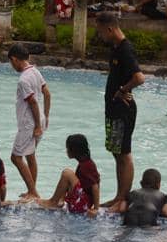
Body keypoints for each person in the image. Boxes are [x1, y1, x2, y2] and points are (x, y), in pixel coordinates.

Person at [96, 12, 145, 208]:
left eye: (100, 32)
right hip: (114, 109)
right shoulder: (115, 48)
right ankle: (118, 196)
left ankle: (123, 199)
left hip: (123, 110)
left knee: (124, 153)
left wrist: (123, 90)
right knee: (116, 152)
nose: (99, 36)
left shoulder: (125, 49)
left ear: (109, 29)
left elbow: (139, 78)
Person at [7, 43, 50, 201]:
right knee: (30, 155)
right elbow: (47, 93)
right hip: (39, 120)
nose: (12, 66)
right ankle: (31, 190)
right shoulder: (35, 71)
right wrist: (46, 116)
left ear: (15, 59)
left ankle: (33, 192)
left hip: (29, 124)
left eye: (11, 62)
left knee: (16, 157)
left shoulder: (23, 80)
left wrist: (38, 126)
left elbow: (32, 102)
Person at [37, 134, 100, 216]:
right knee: (69, 176)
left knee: (67, 173)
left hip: (82, 206)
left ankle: (53, 202)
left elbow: (95, 186)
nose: (66, 151)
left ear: (74, 150)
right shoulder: (84, 163)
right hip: (81, 203)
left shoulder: (88, 165)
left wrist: (96, 208)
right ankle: (60, 200)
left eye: (67, 148)